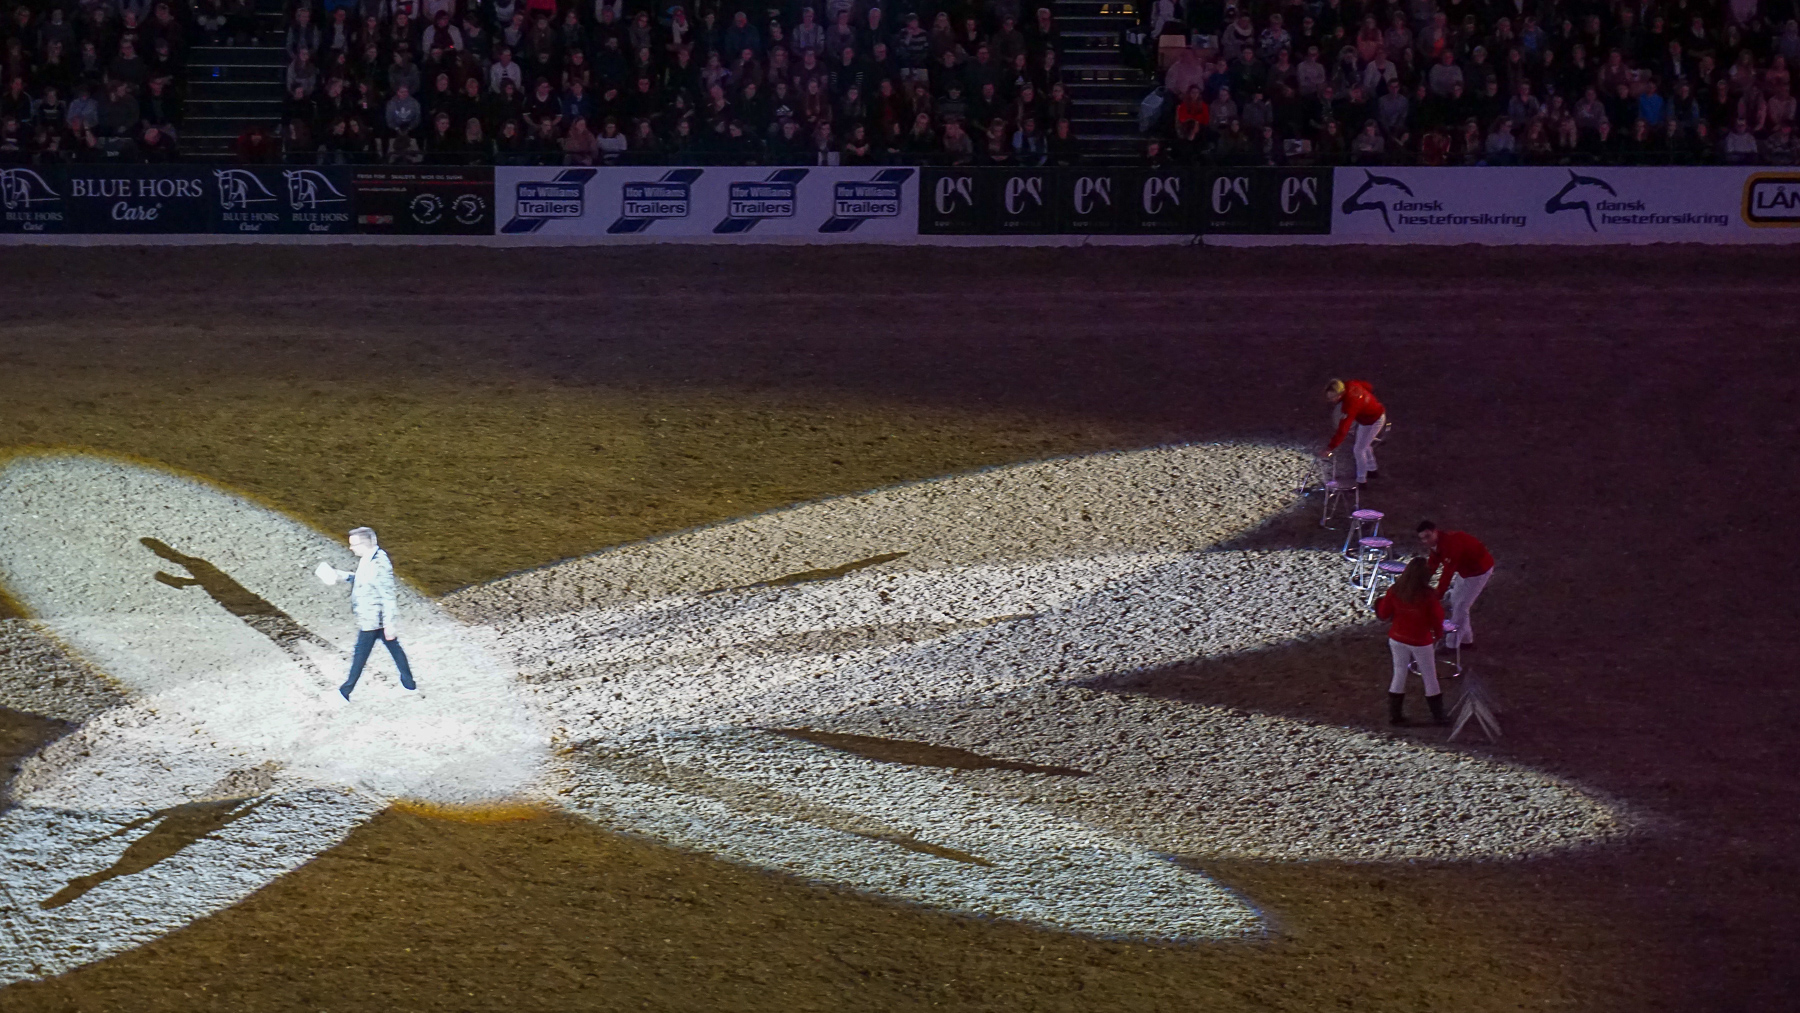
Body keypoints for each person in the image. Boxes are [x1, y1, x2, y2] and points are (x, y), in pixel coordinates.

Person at [317, 526, 416, 700]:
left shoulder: (378, 564)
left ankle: (344, 692)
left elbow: (388, 595)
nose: (350, 548)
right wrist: (340, 575)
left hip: (374, 619)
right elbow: (364, 579)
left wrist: (390, 624)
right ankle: (409, 686)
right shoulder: (370, 558)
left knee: (360, 656)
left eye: (353, 544)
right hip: (375, 618)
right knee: (394, 650)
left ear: (364, 544)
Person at [1374, 556, 1447, 726]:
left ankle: (1395, 715)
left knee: (1399, 673)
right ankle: (1438, 716)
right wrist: (1438, 634)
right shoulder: (1428, 595)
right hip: (1420, 640)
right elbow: (1437, 618)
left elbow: (1384, 613)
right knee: (1429, 676)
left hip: (1397, 637)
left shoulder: (1395, 590)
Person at [1417, 520, 1494, 652]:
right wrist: (1422, 582)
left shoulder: (1450, 545)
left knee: (1460, 606)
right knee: (1457, 602)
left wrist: (1437, 595)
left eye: (1428, 537)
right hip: (1467, 571)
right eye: (1423, 538)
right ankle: (1466, 640)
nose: (1426, 541)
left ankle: (1452, 645)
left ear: (1435, 532)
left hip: (1478, 572)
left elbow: (1447, 573)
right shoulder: (1439, 542)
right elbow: (1433, 563)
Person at [1321, 378, 1386, 486]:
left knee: (1359, 449)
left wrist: (1330, 447)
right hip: (1366, 419)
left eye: (1333, 397)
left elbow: (1343, 428)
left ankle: (1361, 480)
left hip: (1374, 420)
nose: (1332, 400)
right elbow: (1368, 386)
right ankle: (1372, 469)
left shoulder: (1350, 404)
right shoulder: (1350, 384)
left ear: (1340, 393)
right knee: (1365, 444)